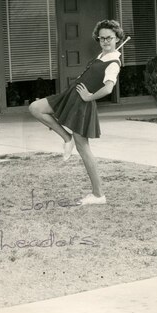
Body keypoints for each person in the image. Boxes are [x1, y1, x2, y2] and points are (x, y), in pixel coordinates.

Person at [29, 19, 125, 206]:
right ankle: (67, 138)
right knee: (35, 108)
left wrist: (89, 97)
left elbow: (108, 89)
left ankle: (98, 195)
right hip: (70, 95)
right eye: (102, 38)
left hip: (82, 104)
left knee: (84, 149)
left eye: (110, 38)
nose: (105, 41)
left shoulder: (113, 62)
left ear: (117, 38)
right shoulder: (103, 56)